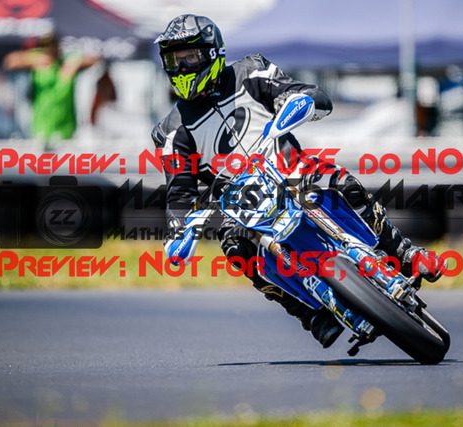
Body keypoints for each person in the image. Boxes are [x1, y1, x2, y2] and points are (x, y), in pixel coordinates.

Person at [154, 15, 445, 349]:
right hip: (241, 203)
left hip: (290, 168)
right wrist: (179, 231)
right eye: (174, 60)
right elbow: (179, 191)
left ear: (212, 53)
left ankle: (402, 251)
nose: (182, 67)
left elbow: (309, 94)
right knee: (235, 248)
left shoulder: (252, 71)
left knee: (340, 181)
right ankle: (308, 313)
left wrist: (299, 102)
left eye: (189, 57)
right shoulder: (170, 131)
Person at [3, 35, 99, 143]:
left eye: (52, 46)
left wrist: (74, 64)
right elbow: (10, 61)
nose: (49, 50)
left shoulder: (66, 60)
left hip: (66, 126)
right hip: (42, 125)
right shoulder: (37, 57)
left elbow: (94, 60)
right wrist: (31, 60)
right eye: (46, 46)